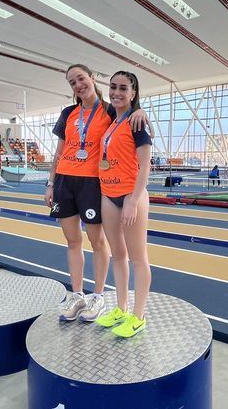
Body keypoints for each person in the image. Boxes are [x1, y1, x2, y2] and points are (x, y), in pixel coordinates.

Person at [45, 64, 149, 322]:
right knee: (73, 241)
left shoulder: (110, 109)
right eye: (72, 82)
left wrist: (142, 111)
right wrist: (50, 183)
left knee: (98, 242)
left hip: (93, 183)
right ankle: (78, 295)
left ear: (92, 78)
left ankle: (99, 296)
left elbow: (131, 111)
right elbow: (59, 151)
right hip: (65, 182)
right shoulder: (68, 113)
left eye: (81, 78)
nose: (78, 85)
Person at [94, 71, 152, 338]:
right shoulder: (111, 122)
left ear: (133, 93)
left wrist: (131, 201)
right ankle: (121, 308)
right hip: (108, 194)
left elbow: (145, 167)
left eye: (123, 88)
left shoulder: (136, 122)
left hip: (131, 196)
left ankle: (138, 316)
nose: (116, 92)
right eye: (113, 87)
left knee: (138, 258)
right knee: (118, 254)